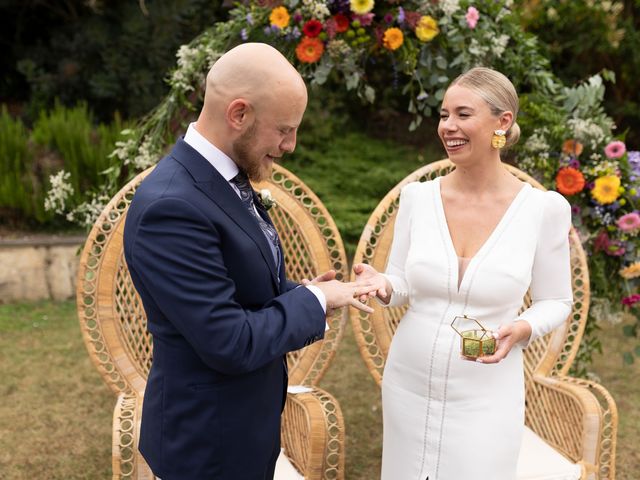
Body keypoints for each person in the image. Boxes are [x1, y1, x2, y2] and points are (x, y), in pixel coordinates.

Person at [123, 43, 375, 479]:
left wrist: (315, 295)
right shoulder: (171, 206)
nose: (290, 145)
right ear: (238, 114)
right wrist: (312, 299)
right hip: (207, 447)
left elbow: (241, 290)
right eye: (284, 130)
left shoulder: (222, 180)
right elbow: (230, 342)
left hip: (241, 432)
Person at [354, 67, 574, 479]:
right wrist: (382, 284)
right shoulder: (417, 199)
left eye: (462, 114)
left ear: (502, 122)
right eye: (443, 115)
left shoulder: (543, 210)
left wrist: (523, 327)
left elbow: (557, 300)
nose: (448, 127)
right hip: (408, 383)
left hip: (487, 393)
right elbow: (401, 281)